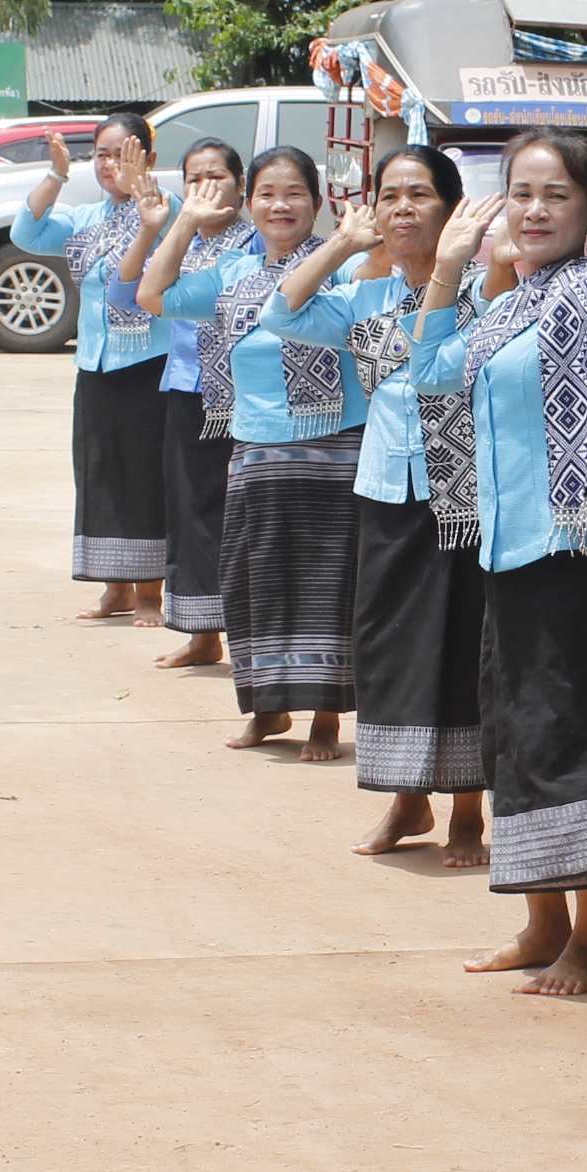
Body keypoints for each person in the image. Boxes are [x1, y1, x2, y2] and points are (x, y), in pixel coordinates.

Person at [409, 129, 587, 995]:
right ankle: (542, 923)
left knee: (581, 739)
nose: (534, 209)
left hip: (583, 553)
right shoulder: (503, 310)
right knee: (521, 737)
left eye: (556, 194)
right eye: (521, 192)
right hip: (510, 552)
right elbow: (430, 376)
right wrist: (447, 268)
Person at [269, 145, 491, 865]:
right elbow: (281, 311)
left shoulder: (487, 291)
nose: (402, 208)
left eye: (419, 194)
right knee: (390, 648)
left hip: (465, 493)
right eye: (389, 195)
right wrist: (340, 242)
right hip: (385, 492)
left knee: (461, 646)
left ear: (451, 208)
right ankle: (407, 800)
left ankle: (466, 812)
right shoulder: (365, 300)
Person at [143, 143, 363, 757]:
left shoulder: (341, 265)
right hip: (255, 453)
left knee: (328, 585)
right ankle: (268, 708)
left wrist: (346, 244)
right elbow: (151, 295)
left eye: (295, 193)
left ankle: (325, 714)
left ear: (317, 204)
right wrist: (185, 219)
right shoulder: (232, 273)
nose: (280, 204)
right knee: (253, 583)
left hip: (333, 450)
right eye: (267, 193)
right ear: (247, 202)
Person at [14, 116, 173, 620]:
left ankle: (150, 591)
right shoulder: (86, 218)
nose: (110, 166)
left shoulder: (168, 212)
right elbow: (27, 231)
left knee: (147, 476)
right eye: (101, 155)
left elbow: (180, 240)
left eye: (122, 154)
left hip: (151, 363)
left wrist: (142, 193)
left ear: (147, 158)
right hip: (96, 364)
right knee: (99, 474)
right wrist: (57, 173)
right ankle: (115, 588)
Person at [148, 137, 255, 672]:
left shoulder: (258, 241)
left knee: (238, 513)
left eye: (218, 176)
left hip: (246, 397)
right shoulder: (179, 239)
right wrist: (179, 223)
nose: (206, 188)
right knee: (189, 511)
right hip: (189, 389)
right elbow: (136, 294)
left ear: (240, 184)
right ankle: (199, 630)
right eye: (194, 179)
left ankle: (247, 638)